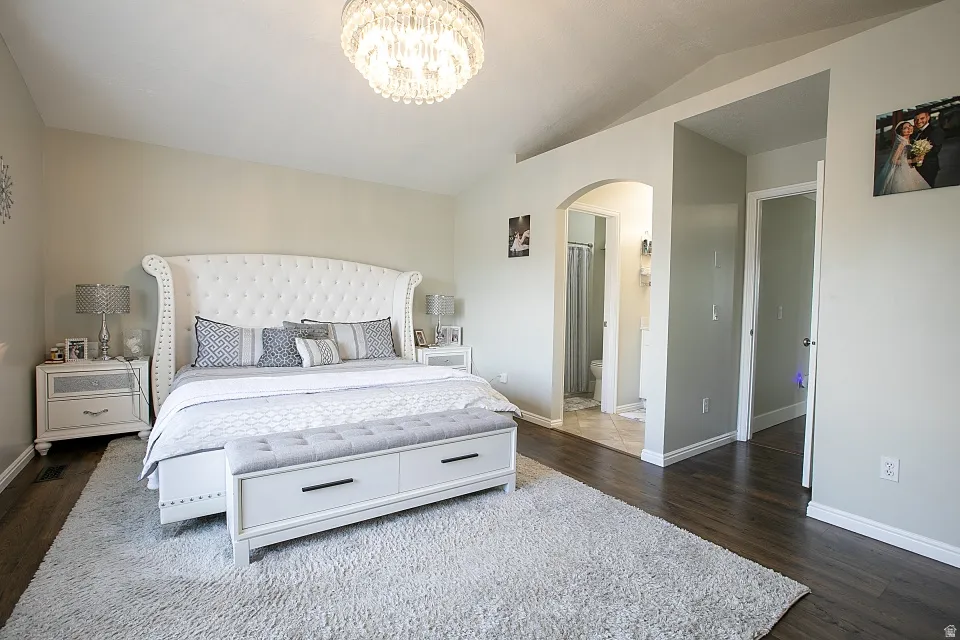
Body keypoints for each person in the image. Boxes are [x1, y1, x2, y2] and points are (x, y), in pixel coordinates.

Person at [875, 121, 930, 196]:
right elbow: (893, 161)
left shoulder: (908, 140)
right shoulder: (902, 142)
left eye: (910, 126)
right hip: (901, 171)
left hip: (908, 168)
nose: (909, 128)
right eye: (905, 128)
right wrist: (912, 160)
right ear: (900, 131)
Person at [911, 110, 944, 188]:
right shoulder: (914, 133)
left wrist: (920, 156)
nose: (919, 121)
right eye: (916, 120)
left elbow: (935, 150)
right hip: (914, 168)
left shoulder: (935, 131)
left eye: (922, 118)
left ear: (928, 117)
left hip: (928, 167)